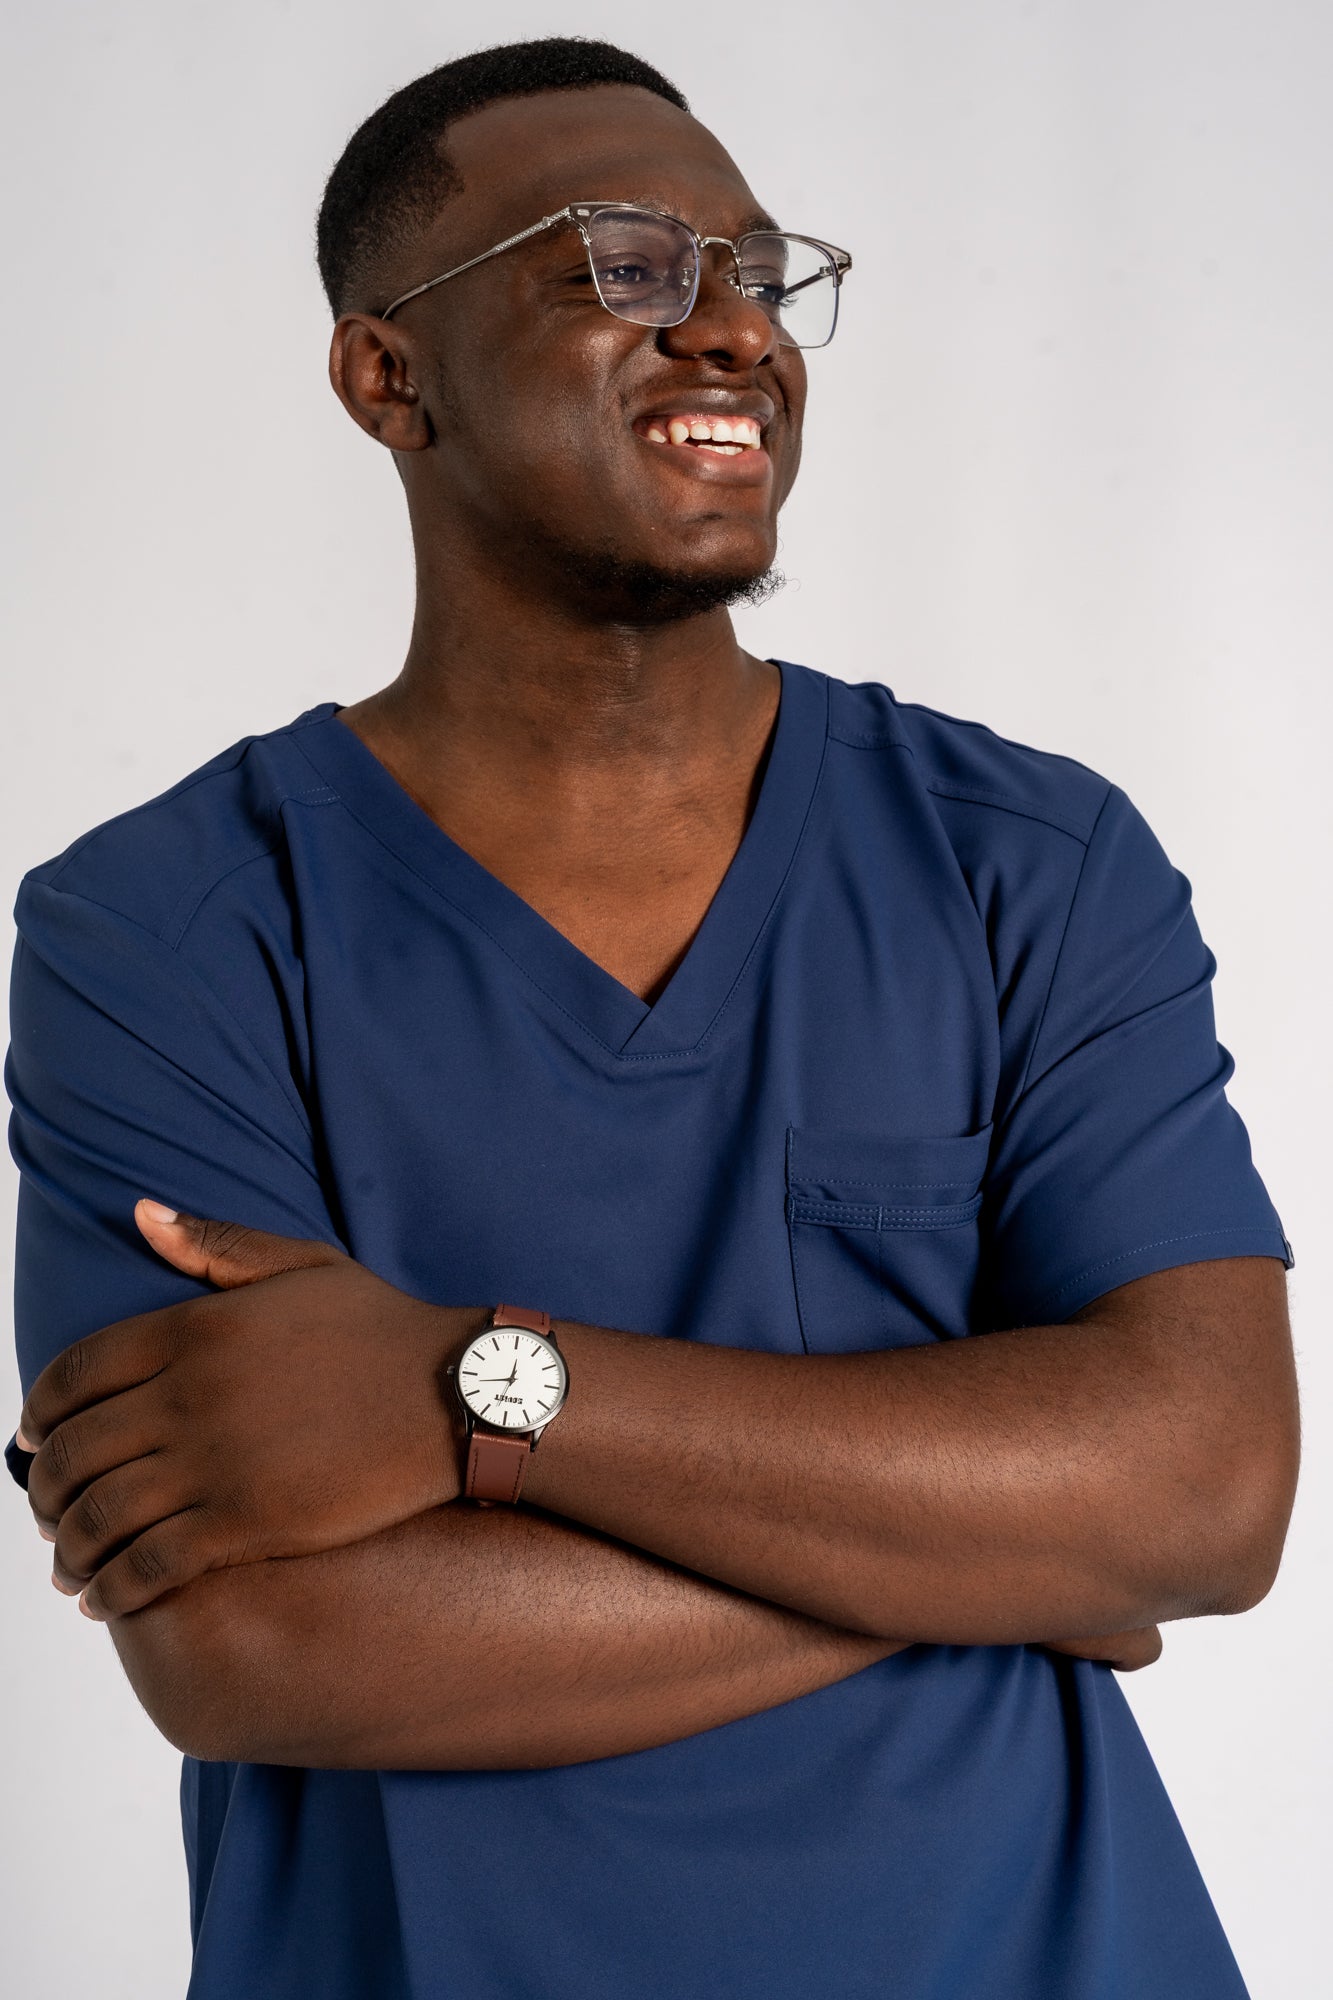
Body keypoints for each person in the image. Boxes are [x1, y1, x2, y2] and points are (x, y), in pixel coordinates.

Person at [5, 35, 1298, 2000]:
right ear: (388, 375)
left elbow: (1204, 1490)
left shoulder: (1024, 861)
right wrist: (1006, 1551)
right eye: (615, 265)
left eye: (759, 278)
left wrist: (464, 1385)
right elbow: (250, 1648)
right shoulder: (165, 926)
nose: (728, 333)